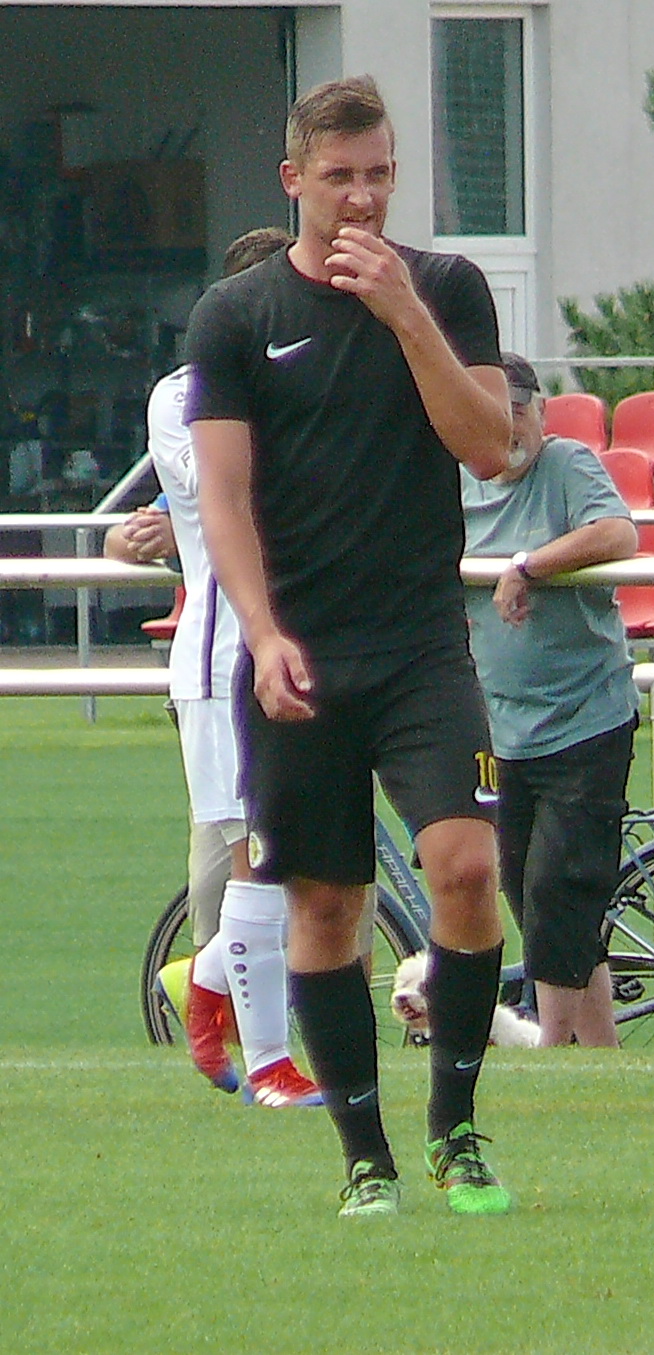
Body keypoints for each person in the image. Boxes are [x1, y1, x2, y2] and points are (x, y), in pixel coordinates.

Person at [186, 75, 515, 1219]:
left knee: (466, 867)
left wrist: (405, 315)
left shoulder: (447, 289)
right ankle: (364, 1156)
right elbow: (223, 496)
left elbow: (490, 446)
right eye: (340, 177)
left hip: (423, 646)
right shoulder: (235, 316)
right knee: (327, 906)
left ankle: (456, 1127)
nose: (363, 197)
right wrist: (263, 632)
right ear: (294, 181)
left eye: (379, 174)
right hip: (299, 655)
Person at [108, 226, 323, 1107]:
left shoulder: (309, 376)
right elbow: (229, 488)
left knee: (289, 851)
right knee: (254, 852)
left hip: (299, 647)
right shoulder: (182, 394)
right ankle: (267, 1059)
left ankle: (201, 991)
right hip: (224, 654)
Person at [462, 354, 640, 1047]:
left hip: (585, 718)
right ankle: (599, 1055)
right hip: (499, 725)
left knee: (558, 887)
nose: (508, 427)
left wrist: (528, 565)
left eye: (517, 409)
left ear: (540, 412)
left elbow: (618, 533)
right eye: (491, 411)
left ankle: (551, 1046)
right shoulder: (454, 479)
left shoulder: (566, 464)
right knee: (526, 889)